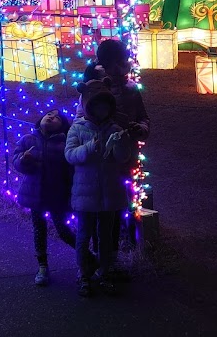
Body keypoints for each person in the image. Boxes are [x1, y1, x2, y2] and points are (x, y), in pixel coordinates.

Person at [76, 38, 150, 279]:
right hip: (101, 160)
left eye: (122, 64)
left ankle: (114, 256)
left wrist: (141, 128)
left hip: (125, 157)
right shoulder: (92, 91)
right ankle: (98, 257)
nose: (119, 70)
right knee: (100, 210)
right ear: (102, 66)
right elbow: (81, 121)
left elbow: (143, 117)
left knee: (119, 206)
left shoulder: (131, 90)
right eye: (113, 65)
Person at [65, 88, 134, 297]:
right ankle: (84, 272)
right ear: (88, 107)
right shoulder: (77, 128)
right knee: (84, 234)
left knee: (105, 234)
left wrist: (121, 143)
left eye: (105, 105)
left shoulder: (114, 128)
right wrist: (87, 149)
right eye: (97, 105)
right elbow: (69, 154)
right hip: (85, 191)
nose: (102, 109)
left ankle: (104, 271)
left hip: (109, 190)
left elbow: (123, 157)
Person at [11, 108, 76, 287]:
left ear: (63, 127)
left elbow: (70, 169)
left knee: (63, 229)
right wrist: (23, 160)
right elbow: (16, 161)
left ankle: (86, 257)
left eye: (56, 118)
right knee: (39, 229)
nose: (51, 117)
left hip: (57, 194)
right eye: (49, 115)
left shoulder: (64, 144)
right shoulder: (28, 140)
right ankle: (42, 266)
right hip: (35, 194)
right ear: (40, 119)